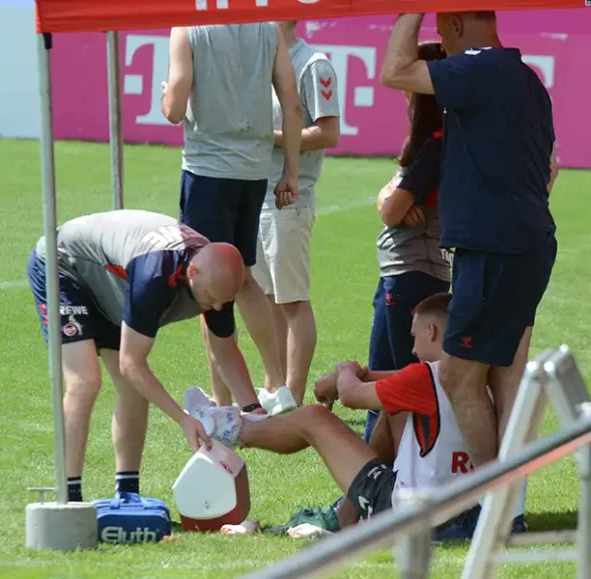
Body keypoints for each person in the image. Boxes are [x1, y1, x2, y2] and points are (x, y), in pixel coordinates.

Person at [379, 12, 559, 472]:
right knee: (508, 373)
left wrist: (409, 10)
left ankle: (493, 506)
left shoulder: (479, 67)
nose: (438, 37)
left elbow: (396, 70)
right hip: (524, 241)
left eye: (441, 26)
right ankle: (508, 508)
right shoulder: (526, 78)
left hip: (493, 247)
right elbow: (552, 167)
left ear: (459, 22)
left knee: (460, 376)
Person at [186, 293, 480, 538]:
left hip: (409, 513)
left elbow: (352, 395)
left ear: (432, 332)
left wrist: (345, 372)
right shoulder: (478, 373)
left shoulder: (423, 376)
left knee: (313, 417)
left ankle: (226, 427)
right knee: (395, 408)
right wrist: (349, 377)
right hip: (457, 511)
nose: (414, 349)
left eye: (415, 337)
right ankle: (345, 515)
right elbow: (391, 381)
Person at [27, 209, 263, 502]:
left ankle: (127, 496)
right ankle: (69, 497)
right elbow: (131, 363)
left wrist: (253, 410)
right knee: (85, 381)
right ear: (191, 273)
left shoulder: (218, 282)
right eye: (211, 300)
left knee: (133, 390)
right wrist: (183, 419)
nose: (216, 309)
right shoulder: (155, 275)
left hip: (107, 280)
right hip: (62, 265)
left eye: (223, 302)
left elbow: (225, 349)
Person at [161, 22, 303, 413]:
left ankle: (234, 400)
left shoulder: (188, 28)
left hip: (207, 170)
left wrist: (167, 98)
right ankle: (271, 383)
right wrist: (290, 170)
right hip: (253, 171)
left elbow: (174, 108)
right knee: (244, 277)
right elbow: (291, 103)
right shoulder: (268, 29)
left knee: (209, 285)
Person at [252, 20, 341, 415]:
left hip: (289, 197)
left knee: (292, 300)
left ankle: (293, 395)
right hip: (257, 194)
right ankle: (275, 387)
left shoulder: (312, 63)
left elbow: (328, 133)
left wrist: (267, 135)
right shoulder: (259, 61)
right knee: (270, 297)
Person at [363, 40, 451, 444]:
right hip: (413, 271)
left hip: (411, 271)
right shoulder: (433, 138)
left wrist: (391, 201)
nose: (402, 89)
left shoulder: (436, 139)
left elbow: (390, 209)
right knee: (391, 381)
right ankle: (378, 484)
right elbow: (389, 199)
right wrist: (390, 198)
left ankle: (378, 485)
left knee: (391, 383)